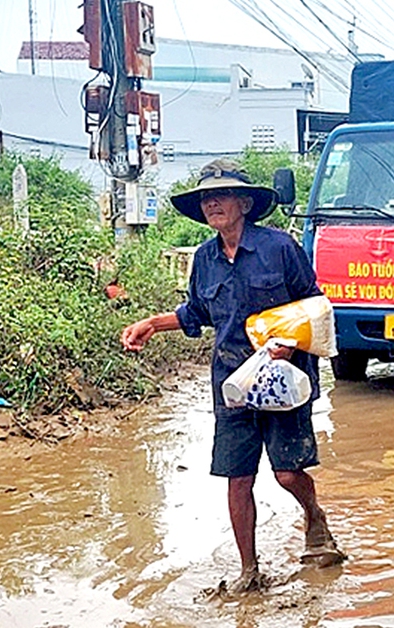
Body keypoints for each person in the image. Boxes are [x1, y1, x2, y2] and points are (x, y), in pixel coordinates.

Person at [119, 159, 345, 594]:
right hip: (233, 383)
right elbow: (196, 313)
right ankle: (249, 571)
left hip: (284, 378)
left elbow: (315, 307)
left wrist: (290, 343)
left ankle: (315, 517)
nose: (212, 203)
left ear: (245, 203)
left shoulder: (280, 248)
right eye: (206, 197)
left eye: (221, 195)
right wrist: (152, 323)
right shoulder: (204, 258)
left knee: (286, 473)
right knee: (237, 477)